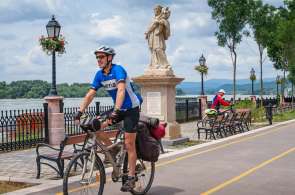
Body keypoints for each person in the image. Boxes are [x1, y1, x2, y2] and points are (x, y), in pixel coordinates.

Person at [74, 45, 142, 192]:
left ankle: (131, 177)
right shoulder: (100, 75)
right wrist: (80, 112)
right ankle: (114, 149)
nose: (98, 60)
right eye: (97, 57)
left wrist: (116, 110)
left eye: (101, 57)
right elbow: (91, 94)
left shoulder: (118, 70)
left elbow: (121, 90)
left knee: (129, 143)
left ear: (109, 58)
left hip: (131, 109)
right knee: (95, 126)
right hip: (117, 109)